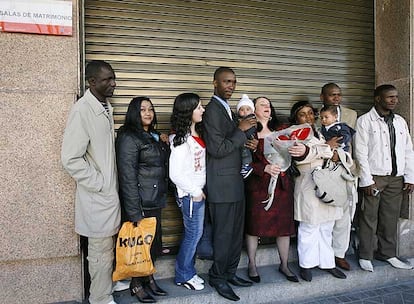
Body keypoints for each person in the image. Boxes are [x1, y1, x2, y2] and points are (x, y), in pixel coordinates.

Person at [61, 60, 120, 304]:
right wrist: (100, 182)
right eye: (107, 79)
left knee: (107, 250)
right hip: (98, 197)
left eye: (113, 78)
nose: (113, 83)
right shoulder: (82, 110)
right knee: (99, 253)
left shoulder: (105, 106)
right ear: (92, 82)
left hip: (108, 197)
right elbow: (70, 159)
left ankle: (106, 287)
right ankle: (100, 298)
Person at [203, 67, 257, 301]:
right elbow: (217, 149)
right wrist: (241, 131)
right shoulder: (212, 111)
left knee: (236, 233)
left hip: (235, 182)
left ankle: (230, 273)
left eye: (233, 82)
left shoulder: (226, 109)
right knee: (224, 235)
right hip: (221, 186)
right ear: (215, 83)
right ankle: (217, 278)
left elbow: (233, 142)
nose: (231, 86)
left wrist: (248, 142)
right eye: (226, 81)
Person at [354, 84, 414, 272]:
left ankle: (387, 253)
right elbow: (360, 153)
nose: (394, 100)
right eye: (390, 97)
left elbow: (408, 150)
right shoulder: (365, 121)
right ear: (378, 99)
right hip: (375, 177)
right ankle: (365, 255)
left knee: (390, 217)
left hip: (396, 178)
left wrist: (410, 177)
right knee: (368, 217)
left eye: (395, 97)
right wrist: (366, 180)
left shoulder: (400, 121)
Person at [116, 96, 169, 303]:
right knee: (139, 245)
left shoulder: (153, 136)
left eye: (150, 109)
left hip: (155, 199)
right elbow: (127, 176)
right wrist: (134, 211)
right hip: (140, 202)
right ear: (133, 113)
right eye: (142, 110)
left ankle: (149, 277)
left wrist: (164, 143)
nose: (148, 113)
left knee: (153, 244)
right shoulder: (129, 137)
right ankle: (136, 284)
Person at [289, 100, 347, 282]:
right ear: (296, 118)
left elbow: (334, 150)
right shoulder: (293, 133)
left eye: (310, 113)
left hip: (326, 183)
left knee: (327, 226)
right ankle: (306, 264)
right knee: (309, 226)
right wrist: (327, 148)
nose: (308, 117)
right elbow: (299, 156)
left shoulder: (322, 133)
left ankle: (327, 263)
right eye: (302, 114)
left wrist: (331, 151)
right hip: (307, 184)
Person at [245, 96, 298, 284]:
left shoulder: (281, 130)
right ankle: (252, 264)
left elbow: (293, 153)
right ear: (254, 110)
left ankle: (284, 264)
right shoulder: (247, 133)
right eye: (262, 104)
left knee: (283, 228)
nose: (267, 107)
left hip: (282, 186)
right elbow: (241, 162)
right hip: (259, 187)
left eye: (268, 104)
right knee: (254, 227)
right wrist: (262, 168)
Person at [169, 93, 207, 291]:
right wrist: (195, 191)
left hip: (197, 193)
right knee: (193, 235)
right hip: (190, 196)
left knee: (194, 234)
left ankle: (189, 272)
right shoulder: (181, 140)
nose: (202, 110)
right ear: (188, 111)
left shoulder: (195, 135)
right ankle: (183, 275)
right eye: (199, 107)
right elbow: (175, 174)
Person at [320, 82, 358, 271]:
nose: (336, 98)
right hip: (323, 172)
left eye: (338, 95)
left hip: (345, 170)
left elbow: (355, 144)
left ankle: (339, 254)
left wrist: (354, 169)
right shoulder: (315, 117)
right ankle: (324, 255)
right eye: (331, 95)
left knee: (344, 217)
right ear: (322, 97)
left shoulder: (351, 115)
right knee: (326, 217)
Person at [236, 94, 257, 179]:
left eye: (248, 109)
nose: (245, 112)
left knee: (245, 153)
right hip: (242, 140)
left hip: (248, 140)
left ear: (252, 111)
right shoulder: (237, 120)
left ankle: (247, 165)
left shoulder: (252, 119)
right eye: (241, 109)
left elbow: (251, 131)